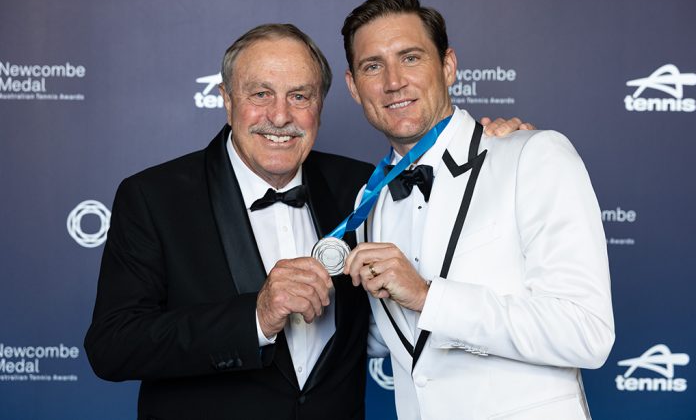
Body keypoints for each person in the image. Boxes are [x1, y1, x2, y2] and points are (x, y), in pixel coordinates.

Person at [84, 23, 527, 420]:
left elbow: (452, 193)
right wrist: (254, 318)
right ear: (226, 99)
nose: (280, 116)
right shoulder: (154, 196)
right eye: (260, 94)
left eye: (300, 96)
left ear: (321, 104)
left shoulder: (364, 187)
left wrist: (494, 147)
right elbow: (113, 347)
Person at [342, 0, 615, 420]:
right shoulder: (367, 201)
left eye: (410, 58)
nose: (393, 81)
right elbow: (390, 339)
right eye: (373, 66)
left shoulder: (531, 155)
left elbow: (586, 332)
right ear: (354, 87)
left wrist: (429, 297)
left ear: (448, 66)